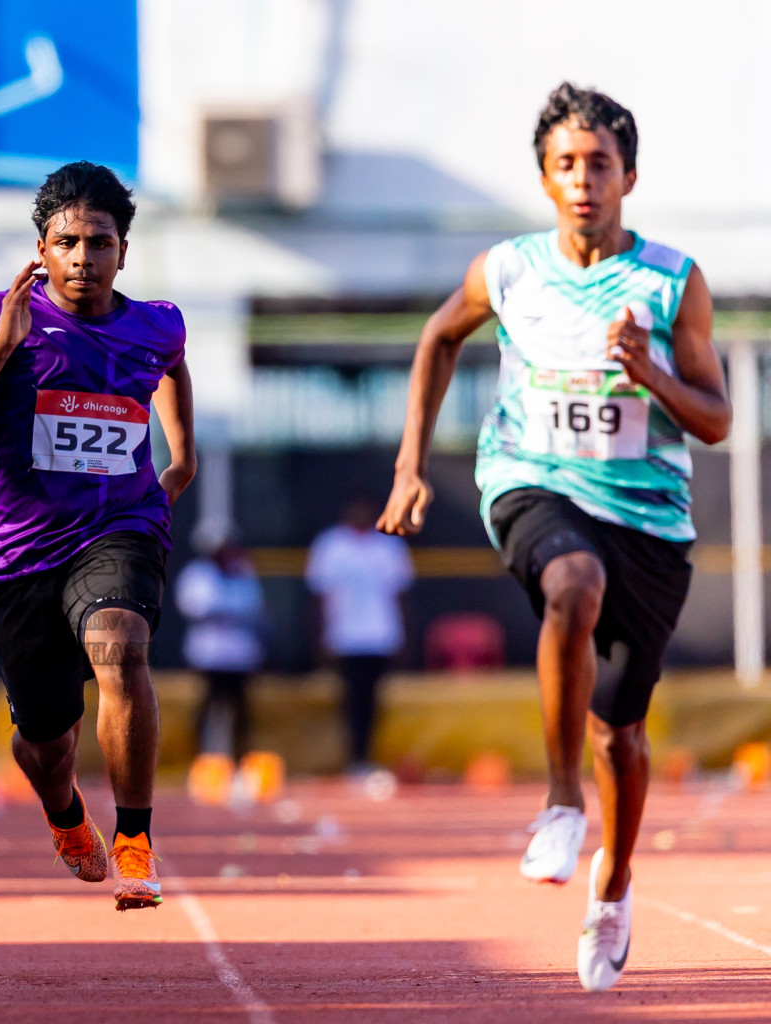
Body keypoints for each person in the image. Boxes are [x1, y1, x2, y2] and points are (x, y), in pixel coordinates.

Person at [378, 84, 730, 992]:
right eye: (566, 165)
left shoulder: (671, 280)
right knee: (571, 585)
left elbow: (717, 419)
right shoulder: (509, 270)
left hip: (649, 514)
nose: (584, 180)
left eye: (600, 164)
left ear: (630, 176)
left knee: (623, 732)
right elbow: (438, 338)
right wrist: (412, 464)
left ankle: (612, 886)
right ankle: (561, 804)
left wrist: (647, 371)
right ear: (544, 179)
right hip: (532, 480)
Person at [0, 162, 195, 910]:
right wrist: (1, 347)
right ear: (41, 250)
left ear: (123, 252)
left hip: (120, 524)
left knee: (121, 644)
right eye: (66, 242)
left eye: (99, 242)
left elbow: (171, 363)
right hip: (19, 553)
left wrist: (184, 453)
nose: (83, 258)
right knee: (45, 742)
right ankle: (66, 814)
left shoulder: (156, 322)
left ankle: (135, 838)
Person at [306, 495, 413, 771]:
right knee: (353, 699)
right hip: (345, 636)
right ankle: (356, 756)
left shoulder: (389, 545)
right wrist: (320, 635)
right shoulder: (330, 545)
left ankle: (366, 756)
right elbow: (320, 595)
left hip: (379, 634)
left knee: (374, 699)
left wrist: (401, 634)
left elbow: (399, 594)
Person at [175, 535, 264, 758]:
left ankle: (239, 759)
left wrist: (223, 611)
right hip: (209, 655)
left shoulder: (243, 571)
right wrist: (228, 611)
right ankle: (201, 758)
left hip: (239, 656)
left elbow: (252, 606)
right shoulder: (198, 574)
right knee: (207, 708)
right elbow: (197, 607)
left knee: (240, 711)